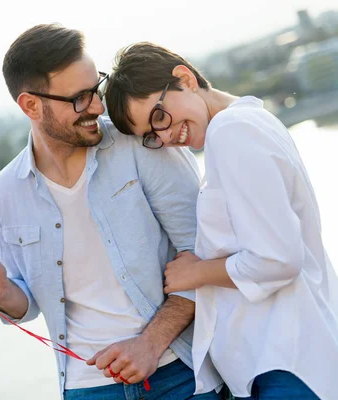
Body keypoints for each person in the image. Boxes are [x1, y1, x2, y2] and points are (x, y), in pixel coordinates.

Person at [0, 24, 222, 399]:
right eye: (80, 98)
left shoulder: (143, 145)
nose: (98, 106)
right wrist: (2, 291)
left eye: (94, 89)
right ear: (31, 105)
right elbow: (27, 304)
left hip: (179, 373)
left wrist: (149, 344)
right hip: (86, 390)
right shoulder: (5, 193)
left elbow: (206, 255)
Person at [104, 41, 338, 400]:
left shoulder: (231, 131)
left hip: (284, 360)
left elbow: (278, 259)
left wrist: (195, 273)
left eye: (159, 117)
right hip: (282, 356)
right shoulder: (248, 120)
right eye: (151, 136)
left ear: (184, 78)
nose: (165, 137)